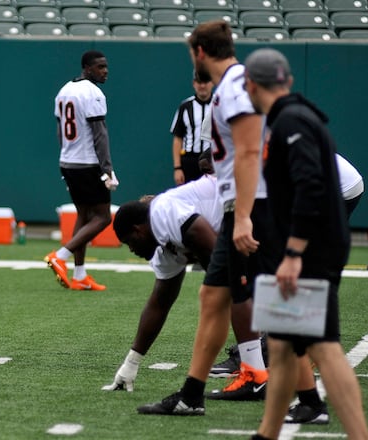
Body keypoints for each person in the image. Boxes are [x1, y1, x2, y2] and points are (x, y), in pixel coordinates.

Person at [137, 21, 276, 416]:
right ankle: (192, 394)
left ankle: (300, 391)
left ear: (199, 52)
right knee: (213, 296)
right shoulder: (229, 87)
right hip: (245, 204)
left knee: (282, 295)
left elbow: (250, 152)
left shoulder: (233, 87)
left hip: (253, 206)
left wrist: (244, 215)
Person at [243, 48, 368, 440]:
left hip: (310, 252)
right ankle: (267, 433)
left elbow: (311, 187)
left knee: (324, 347)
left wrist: (294, 252)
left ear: (251, 85)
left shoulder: (290, 122)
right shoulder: (295, 115)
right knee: (281, 345)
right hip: (309, 247)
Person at [109, 175, 254, 391]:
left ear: (138, 229)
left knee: (228, 288)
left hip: (255, 202)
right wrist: (131, 363)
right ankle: (259, 362)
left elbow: (205, 238)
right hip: (241, 216)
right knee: (225, 290)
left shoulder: (161, 213)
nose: (132, 250)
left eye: (129, 242)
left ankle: (255, 369)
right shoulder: (162, 247)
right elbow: (160, 302)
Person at [46, 50, 119, 291]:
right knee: (102, 217)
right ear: (87, 68)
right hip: (88, 163)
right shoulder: (93, 92)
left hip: (67, 161)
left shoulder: (64, 90)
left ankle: (79, 274)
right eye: (100, 67)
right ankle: (61, 256)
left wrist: (66, 155)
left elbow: (59, 132)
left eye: (106, 66)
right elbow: (100, 134)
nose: (105, 71)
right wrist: (107, 169)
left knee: (84, 215)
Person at [170, 72, 213, 185]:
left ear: (212, 83)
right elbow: (177, 138)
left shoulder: (219, 104)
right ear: (194, 83)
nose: (202, 86)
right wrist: (177, 168)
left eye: (205, 82)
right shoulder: (185, 106)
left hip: (212, 160)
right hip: (189, 161)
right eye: (199, 82)